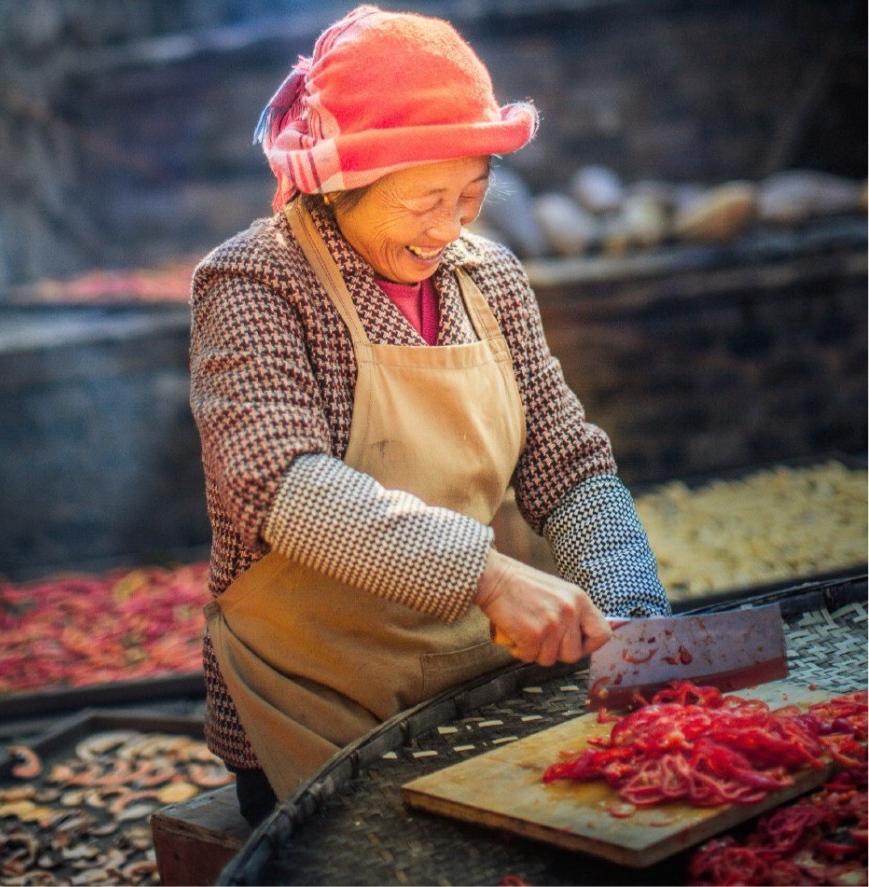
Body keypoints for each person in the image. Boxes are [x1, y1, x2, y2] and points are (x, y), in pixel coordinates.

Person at [190, 4, 670, 827]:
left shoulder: (490, 277)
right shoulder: (255, 281)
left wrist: (632, 617)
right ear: (342, 185)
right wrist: (490, 576)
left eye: (472, 196)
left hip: (474, 678)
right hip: (311, 704)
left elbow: (569, 466)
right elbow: (276, 482)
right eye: (425, 201)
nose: (449, 228)